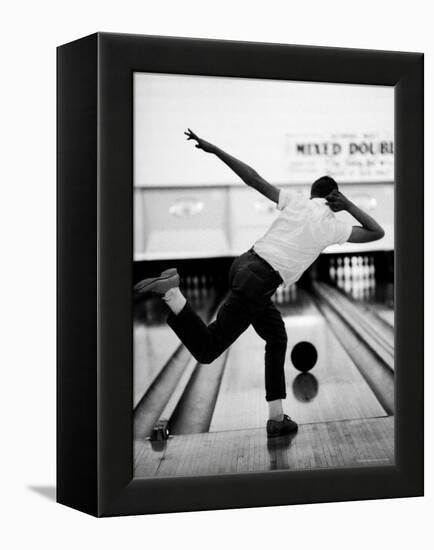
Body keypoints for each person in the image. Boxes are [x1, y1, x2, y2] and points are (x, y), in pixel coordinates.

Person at [134, 129, 385, 438]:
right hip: (261, 280)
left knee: (276, 336)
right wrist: (348, 206)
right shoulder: (334, 226)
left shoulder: (296, 202)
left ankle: (277, 417)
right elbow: (377, 233)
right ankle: (172, 292)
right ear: (334, 199)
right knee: (208, 350)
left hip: (243, 264)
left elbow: (253, 179)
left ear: (312, 194)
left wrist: (216, 150)